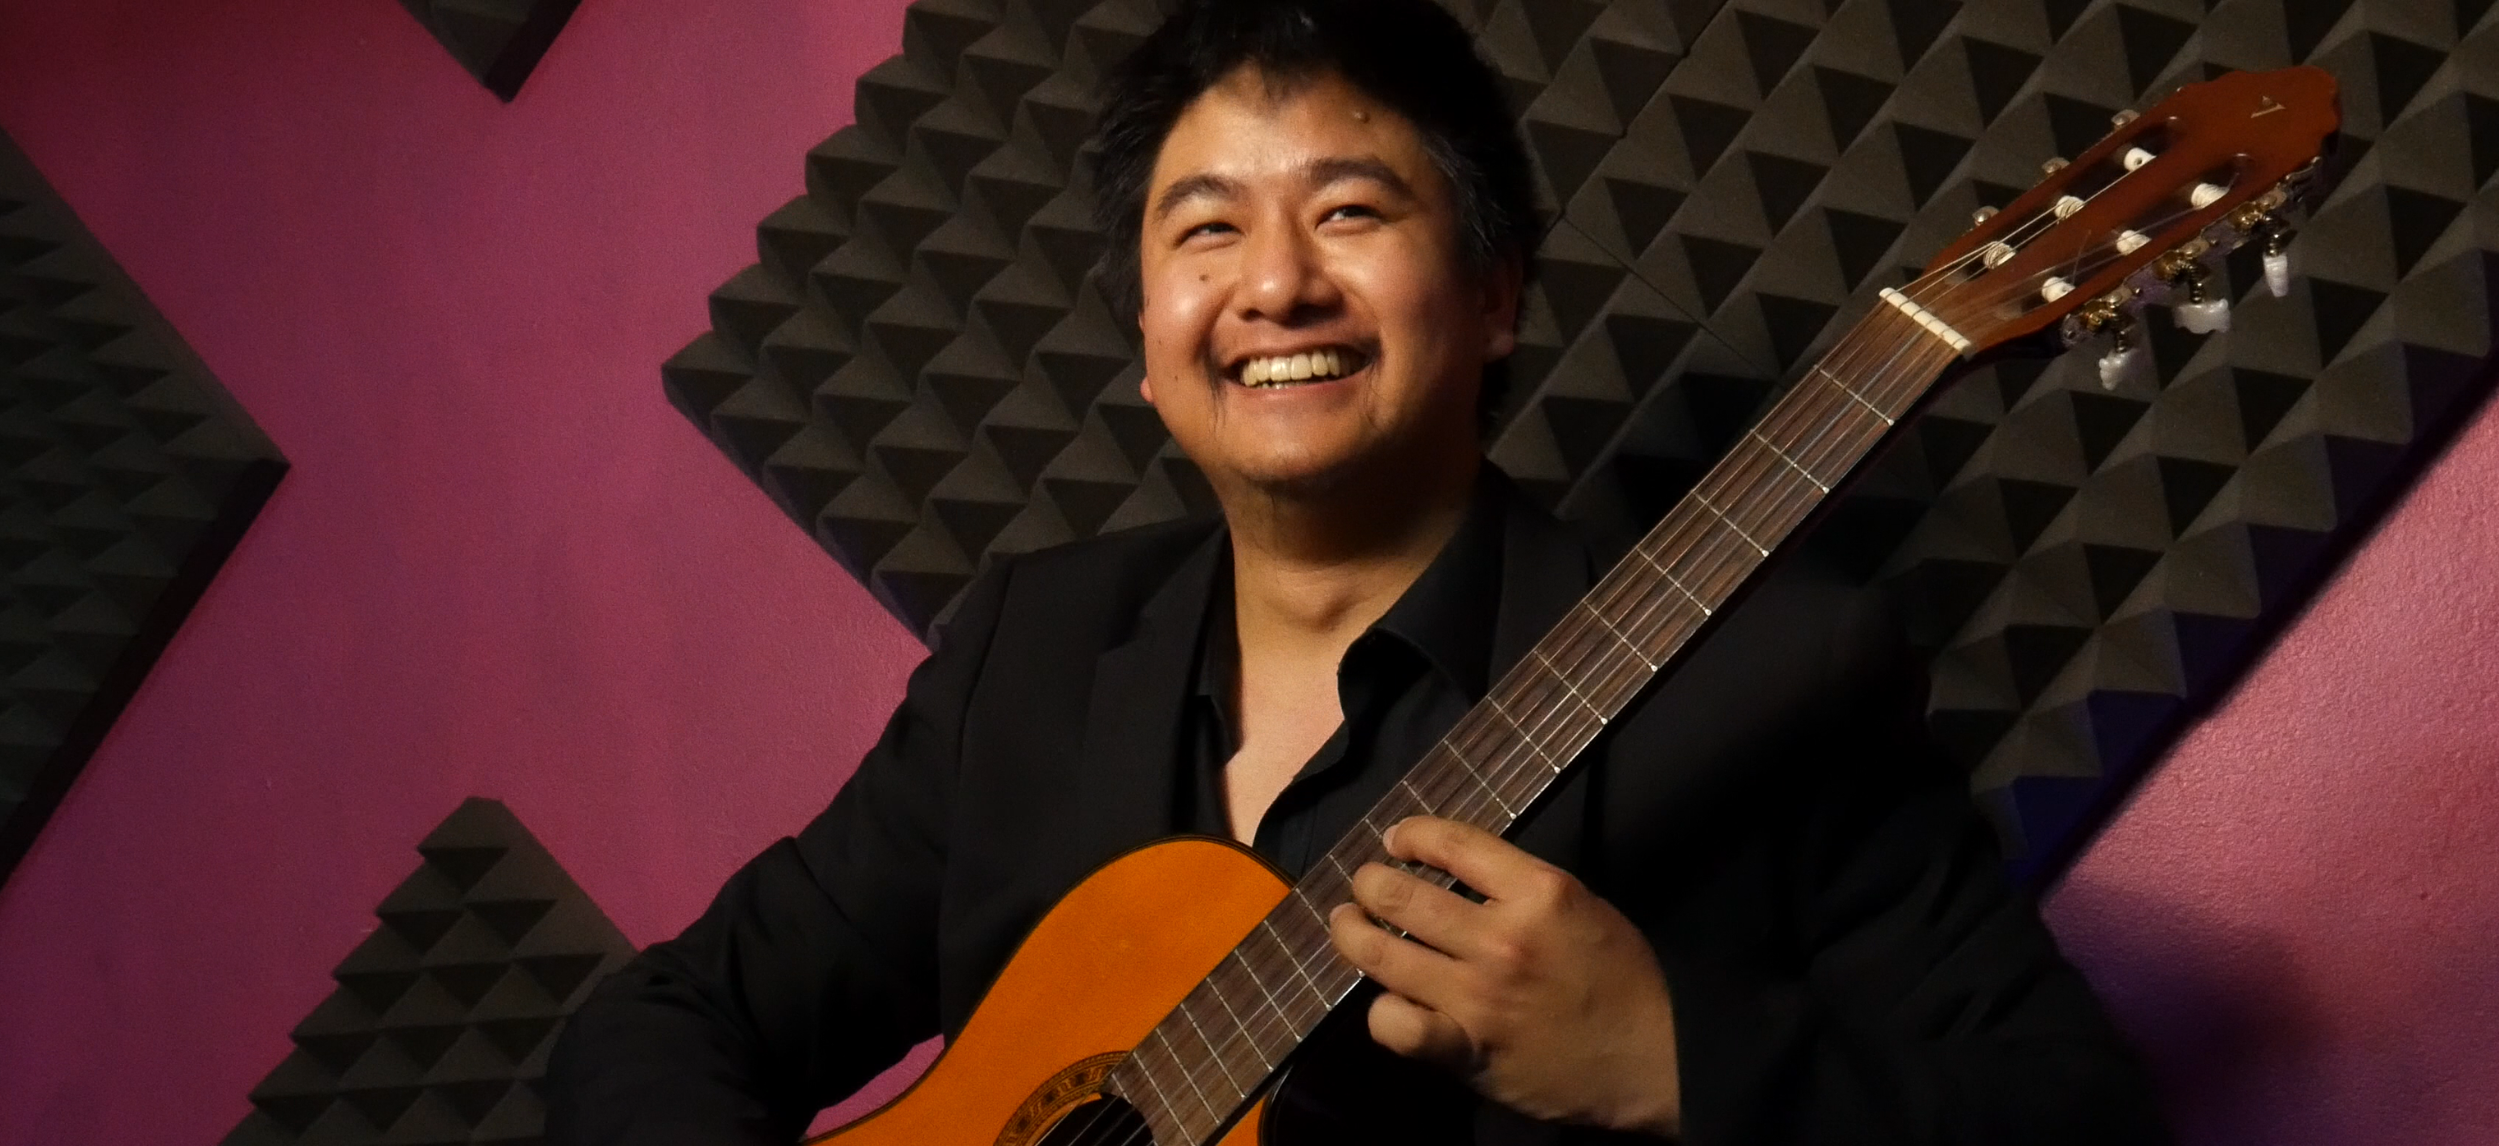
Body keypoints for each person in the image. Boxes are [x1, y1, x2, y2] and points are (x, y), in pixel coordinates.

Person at [549, 0, 2167, 1141]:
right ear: (1144, 337)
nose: (1276, 285)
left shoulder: (1771, 681)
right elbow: (657, 1025)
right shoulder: (1030, 662)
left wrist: (1669, 1055)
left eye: (1351, 209)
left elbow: (2079, 1118)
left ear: (1496, 294)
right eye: (1204, 231)